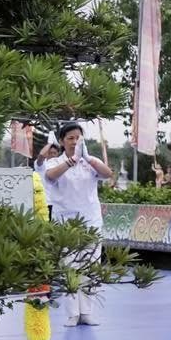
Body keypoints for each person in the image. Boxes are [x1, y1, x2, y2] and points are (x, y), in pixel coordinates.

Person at [42, 122, 114, 326]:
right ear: (62, 141)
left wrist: (87, 158)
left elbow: (107, 173)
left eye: (78, 138)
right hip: (66, 223)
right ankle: (73, 313)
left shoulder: (90, 161)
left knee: (90, 266)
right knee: (70, 267)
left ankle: (87, 312)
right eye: (70, 138)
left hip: (91, 220)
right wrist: (72, 161)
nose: (74, 142)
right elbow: (50, 176)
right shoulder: (54, 162)